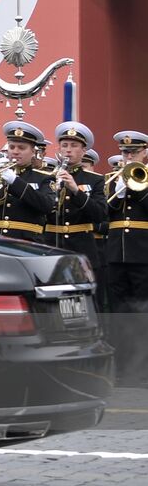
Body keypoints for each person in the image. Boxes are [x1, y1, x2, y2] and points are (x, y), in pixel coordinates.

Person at [106, 130, 148, 384]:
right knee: (119, 312)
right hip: (116, 255)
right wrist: (118, 193)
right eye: (125, 152)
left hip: (143, 254)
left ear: (145, 153)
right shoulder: (112, 180)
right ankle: (122, 367)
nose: (128, 156)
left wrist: (138, 188)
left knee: (143, 310)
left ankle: (143, 368)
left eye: (133, 152)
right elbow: (102, 214)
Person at [44, 122, 105, 275]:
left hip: (82, 247)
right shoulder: (46, 177)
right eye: (64, 145)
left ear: (84, 151)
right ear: (59, 149)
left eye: (74, 145)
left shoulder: (95, 180)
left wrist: (76, 191)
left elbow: (100, 214)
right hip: (51, 244)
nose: (68, 150)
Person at [0, 122, 55, 242]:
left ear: (33, 152)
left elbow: (47, 206)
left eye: (21, 148)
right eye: (12, 147)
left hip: (27, 242)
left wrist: (15, 181)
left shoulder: (44, 178)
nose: (15, 151)